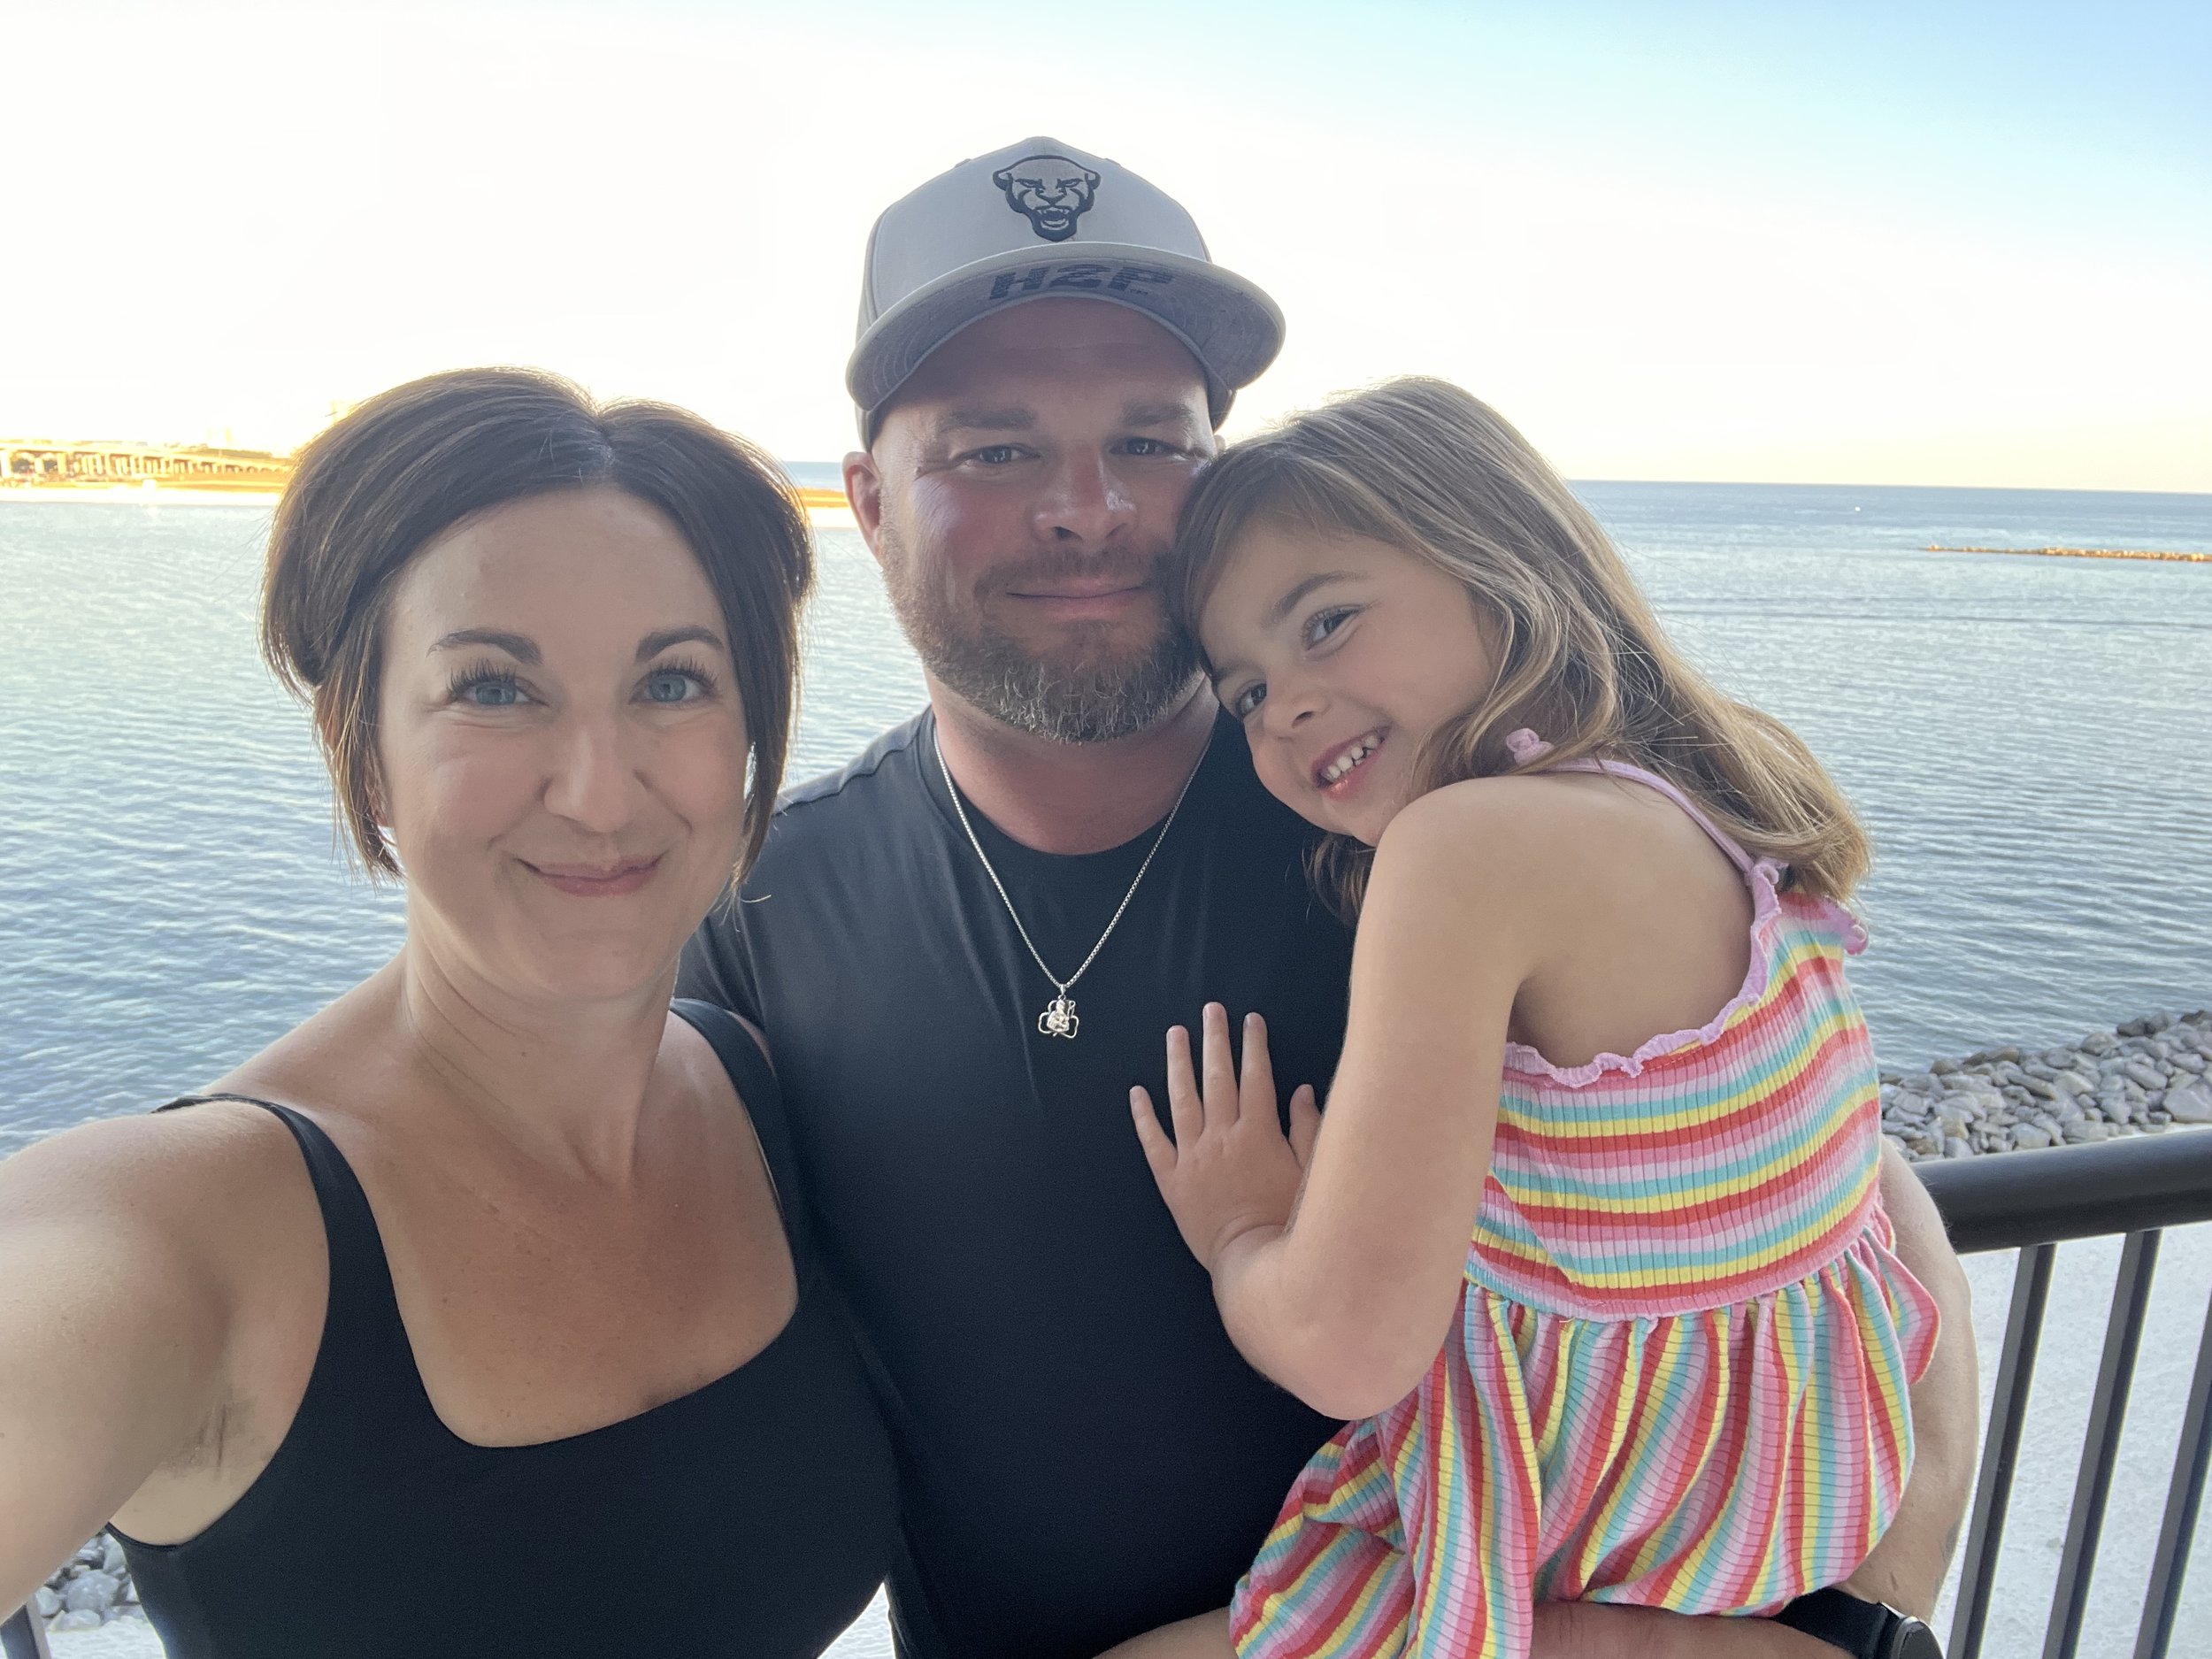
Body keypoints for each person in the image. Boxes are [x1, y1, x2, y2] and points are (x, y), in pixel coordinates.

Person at [678, 137, 1977, 1659]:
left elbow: (1824, 1172)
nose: (1089, 508)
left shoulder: (1404, 810)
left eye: (1154, 443)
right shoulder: (761, 906)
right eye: (994, 447)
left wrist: (1875, 1588)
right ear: (869, 499)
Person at [0, 369, 898, 1656]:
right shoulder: (187, 1228)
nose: (598, 792)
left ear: (750, 733)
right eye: (493, 688)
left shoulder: (752, 1093)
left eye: (674, 683)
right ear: (365, 754)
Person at [1130, 375, 1951, 1659]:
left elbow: (1349, 1351)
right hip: (1778, 1517)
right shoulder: (1709, 807)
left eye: (1328, 622)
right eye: (1239, 692)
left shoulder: (1466, 850)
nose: (1282, 704)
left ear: (1501, 567)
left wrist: (1243, 1231)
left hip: (1585, 1534)